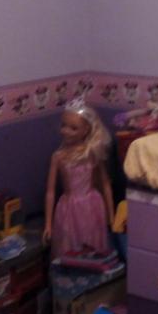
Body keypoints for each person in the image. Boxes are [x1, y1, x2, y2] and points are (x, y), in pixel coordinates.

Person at [43, 102, 114, 258]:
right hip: (69, 208)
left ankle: (91, 269)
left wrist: (111, 215)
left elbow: (105, 184)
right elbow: (50, 192)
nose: (66, 131)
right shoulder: (58, 156)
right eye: (64, 125)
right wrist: (48, 224)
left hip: (92, 205)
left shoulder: (92, 152)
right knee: (70, 246)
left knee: (92, 245)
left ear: (86, 130)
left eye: (73, 128)